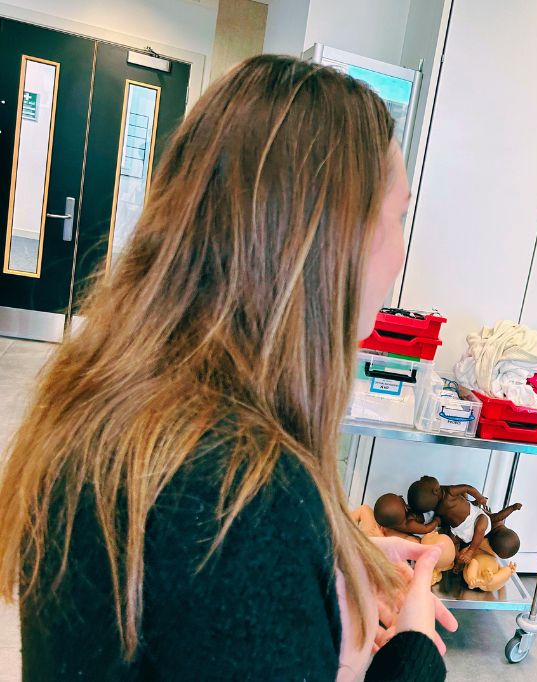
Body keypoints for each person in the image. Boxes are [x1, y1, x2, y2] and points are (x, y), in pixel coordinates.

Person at [0, 55, 456, 680]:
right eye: (397, 216)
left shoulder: (120, 405)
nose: (401, 254)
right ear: (326, 240)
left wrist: (315, 575)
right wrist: (414, 651)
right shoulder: (242, 495)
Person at [407, 476, 522, 566]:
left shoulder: (493, 524)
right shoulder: (445, 496)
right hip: (462, 525)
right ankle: (458, 559)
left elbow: (498, 517)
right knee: (450, 541)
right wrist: (478, 500)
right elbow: (495, 515)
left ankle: (462, 557)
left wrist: (512, 508)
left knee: (453, 541)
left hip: (466, 530)